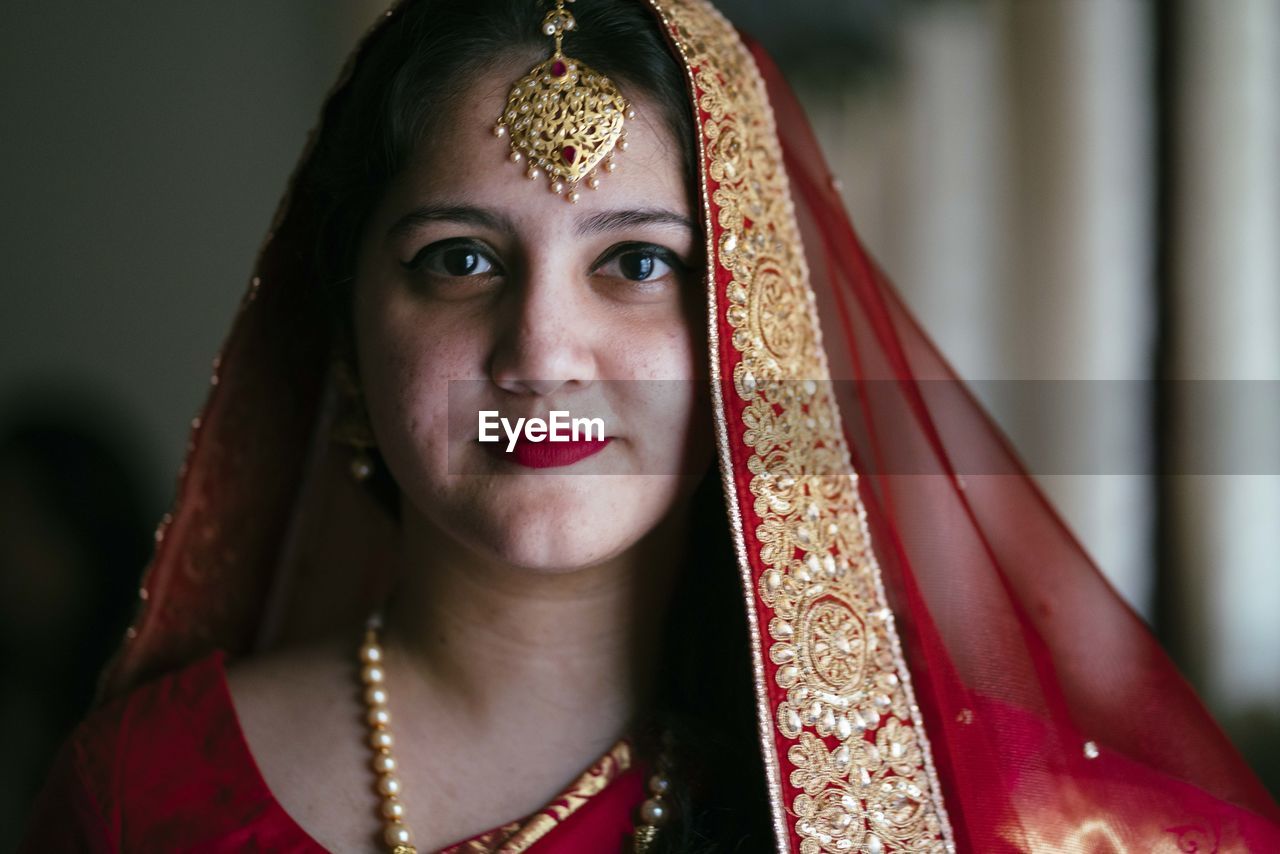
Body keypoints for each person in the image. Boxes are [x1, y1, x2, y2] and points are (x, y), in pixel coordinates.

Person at [20, 0, 1280, 851]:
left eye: (636, 263)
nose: (543, 353)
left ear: (751, 337)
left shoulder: (963, 803)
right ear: (345, 353)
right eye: (458, 259)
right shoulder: (145, 791)